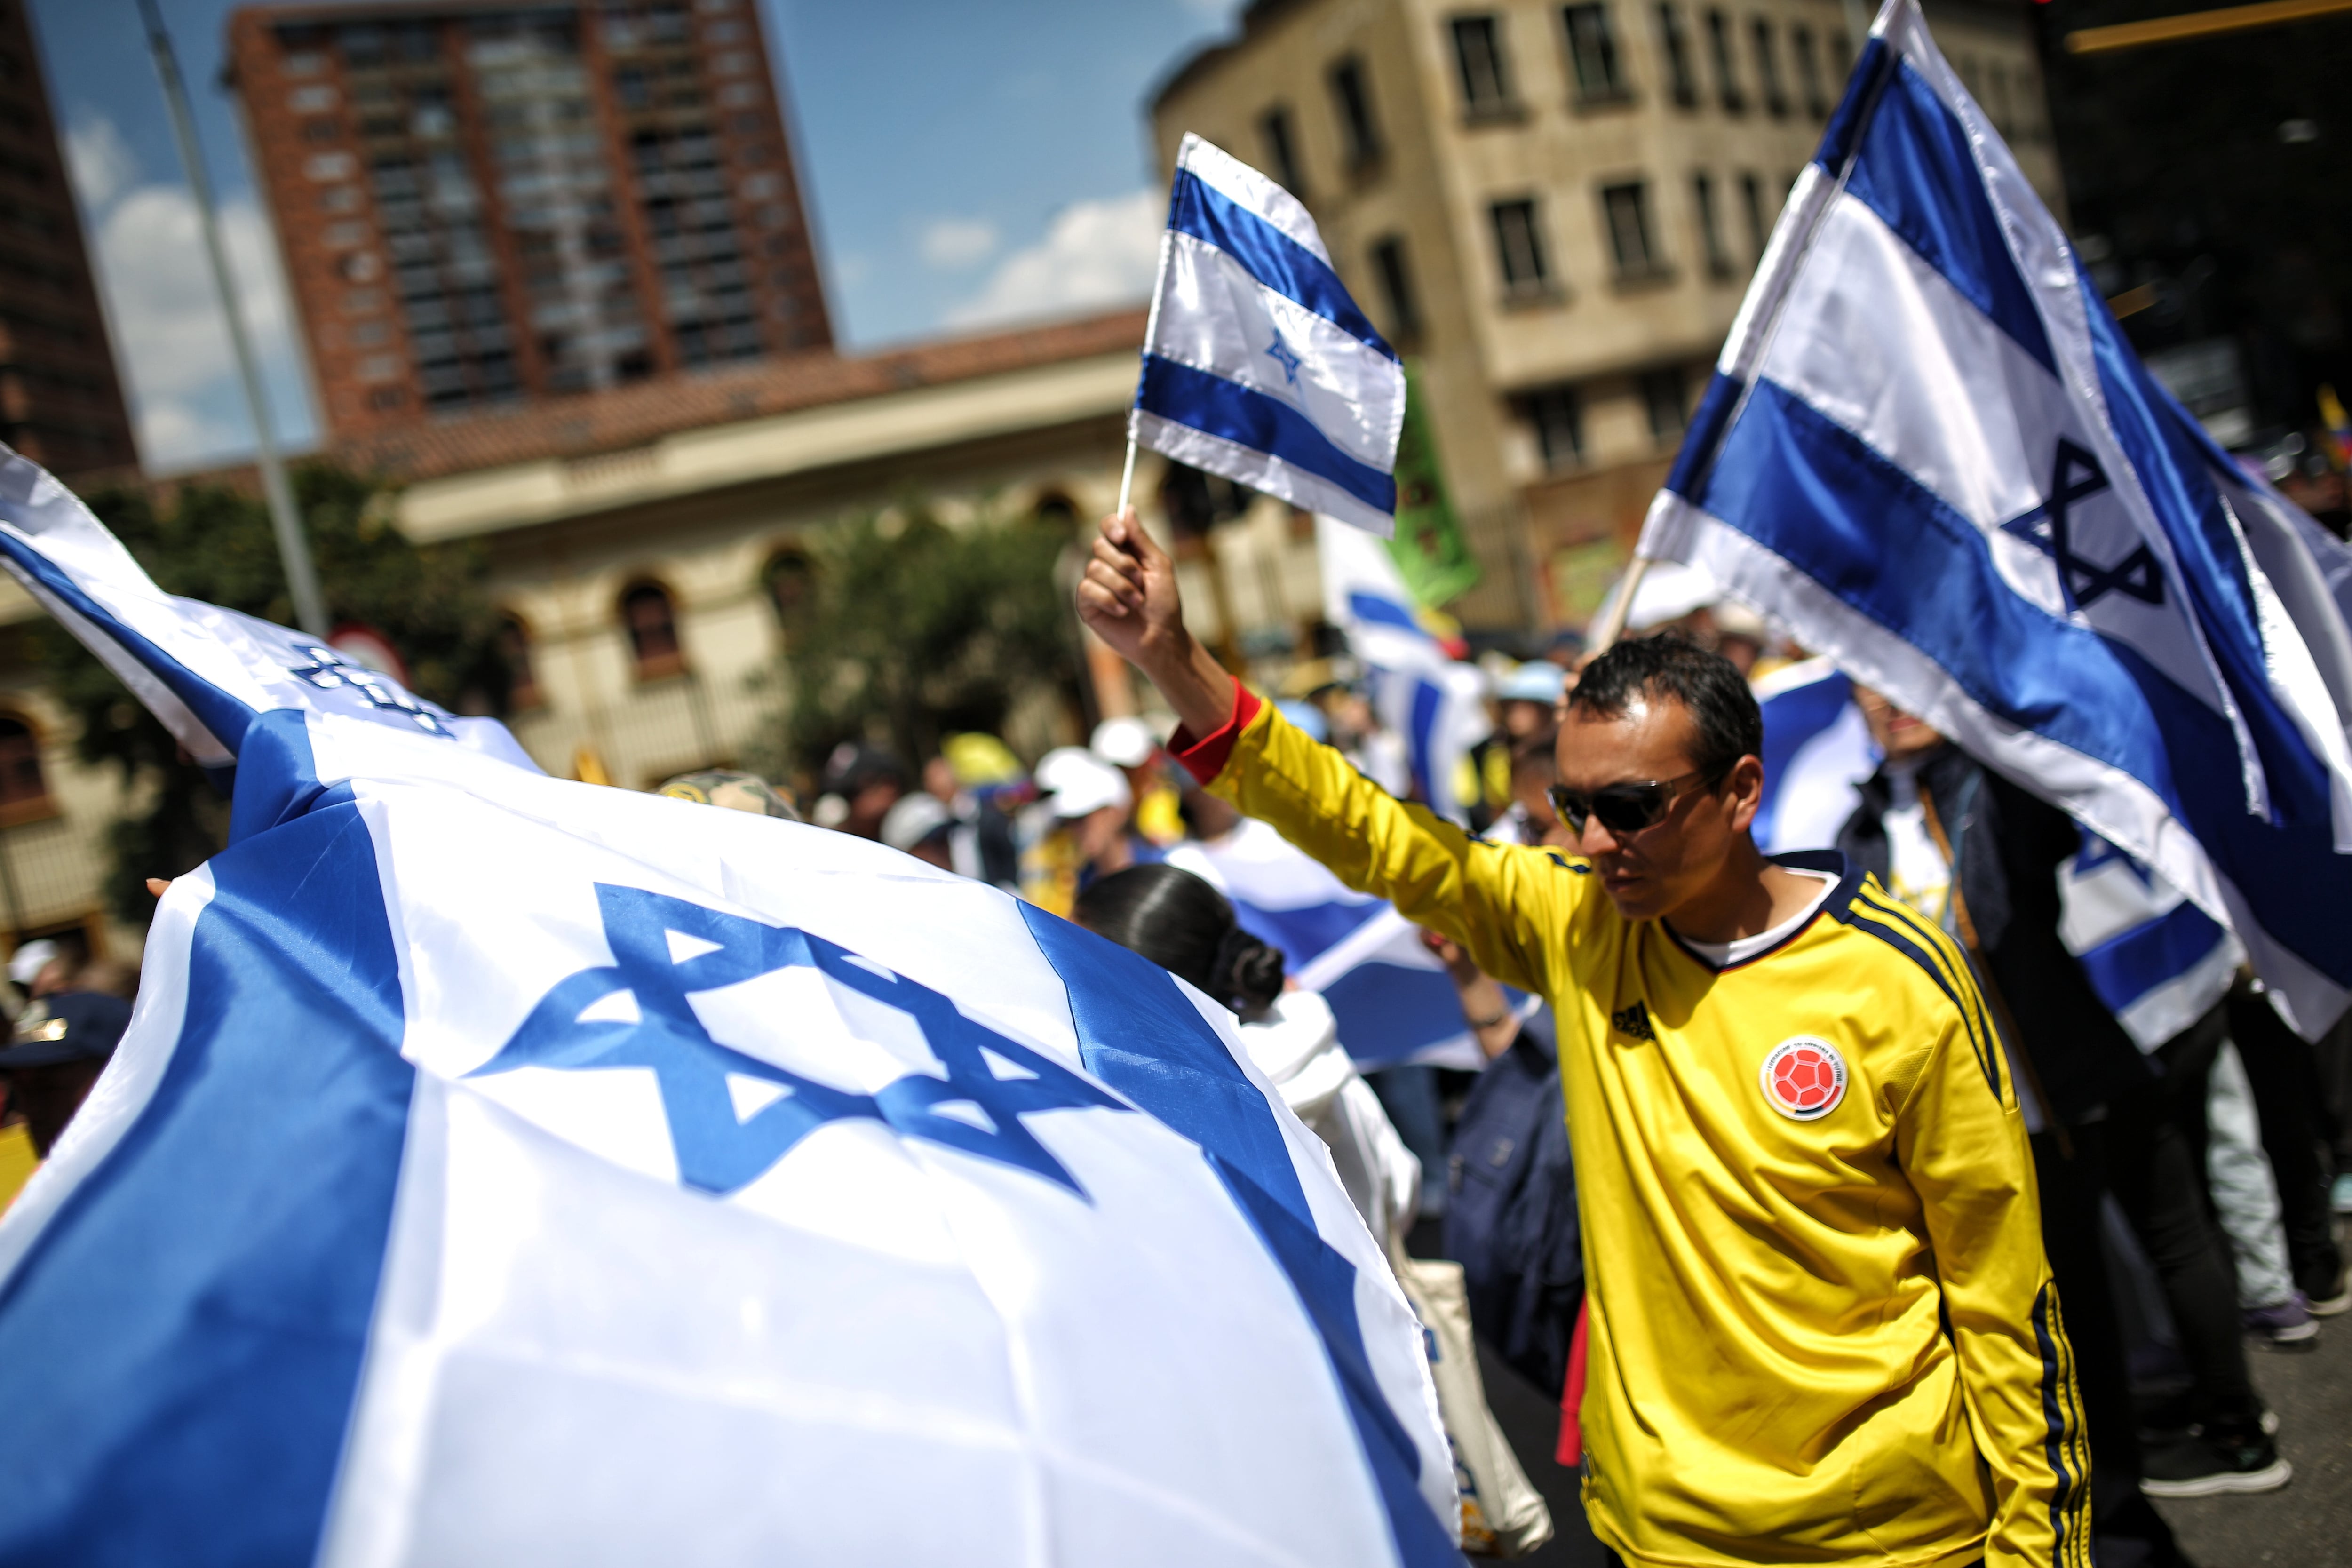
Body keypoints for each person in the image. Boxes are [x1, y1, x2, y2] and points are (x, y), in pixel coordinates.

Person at [1079, 509, 2090, 1568]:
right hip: (1655, 1539)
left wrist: (2042, 1553)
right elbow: (1368, 828)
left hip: (1898, 1540)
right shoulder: (1578, 923)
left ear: (1742, 789)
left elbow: (2006, 1306)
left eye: (1631, 804)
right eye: (1572, 804)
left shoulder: (1897, 980)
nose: (1594, 840)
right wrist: (1170, 656)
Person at [1073, 863, 1418, 1242]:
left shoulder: (1148, 1126)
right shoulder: (1316, 1048)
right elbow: (1401, 1186)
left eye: (1077, 967)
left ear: (1137, 992)